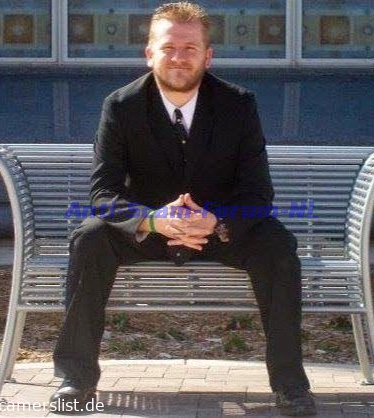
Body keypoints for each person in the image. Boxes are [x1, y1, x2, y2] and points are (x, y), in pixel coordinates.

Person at [50, 2, 316, 416]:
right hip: (149, 232)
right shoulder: (121, 106)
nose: (179, 57)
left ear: (208, 56)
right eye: (168, 47)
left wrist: (217, 220)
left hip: (218, 232)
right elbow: (103, 193)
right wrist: (154, 220)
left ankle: (291, 385)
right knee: (90, 237)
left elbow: (258, 192)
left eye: (190, 48)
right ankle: (75, 379)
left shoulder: (238, 104)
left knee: (277, 244)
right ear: (149, 53)